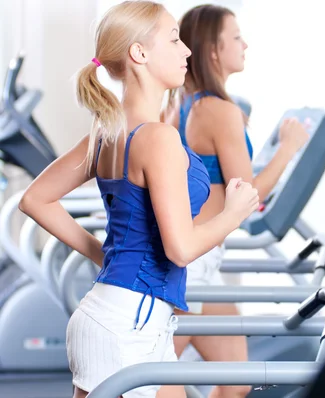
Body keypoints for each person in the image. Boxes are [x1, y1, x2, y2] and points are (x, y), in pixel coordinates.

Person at [18, 1, 258, 397]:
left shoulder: (107, 132)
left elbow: (35, 199)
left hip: (127, 316)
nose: (186, 52)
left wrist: (104, 255)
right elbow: (180, 250)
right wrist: (233, 214)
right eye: (174, 39)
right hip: (128, 324)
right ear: (139, 53)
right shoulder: (157, 138)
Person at [161, 4, 309, 397]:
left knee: (238, 379)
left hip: (198, 260)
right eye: (237, 37)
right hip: (190, 267)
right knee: (151, 382)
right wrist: (288, 148)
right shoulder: (220, 111)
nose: (246, 44)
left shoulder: (180, 105)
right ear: (213, 49)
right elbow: (249, 194)